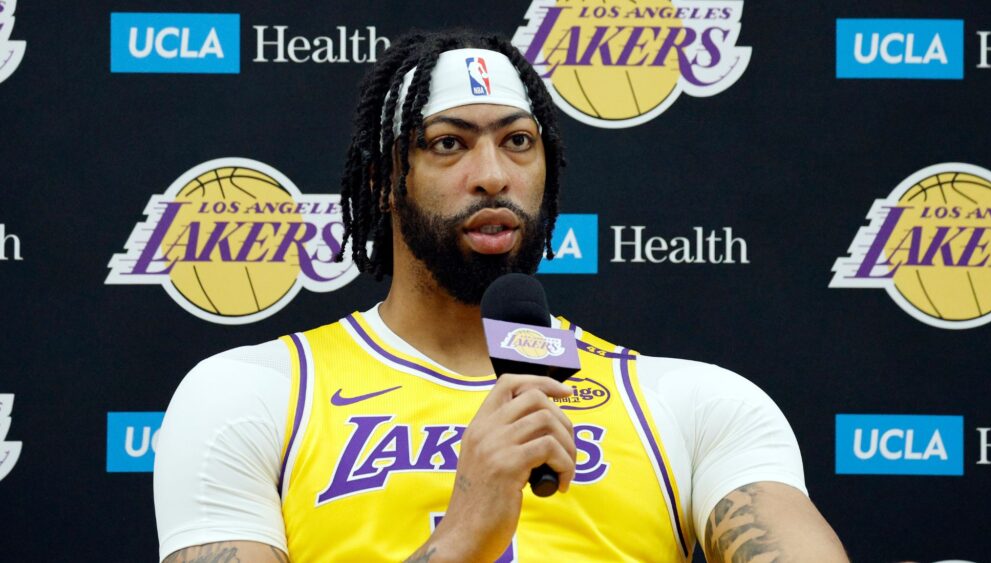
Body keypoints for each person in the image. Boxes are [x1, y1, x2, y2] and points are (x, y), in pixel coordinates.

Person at [154, 29, 848, 563]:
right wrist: (461, 537)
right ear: (381, 182)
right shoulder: (250, 393)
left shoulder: (691, 403)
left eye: (518, 142)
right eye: (448, 144)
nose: (492, 175)